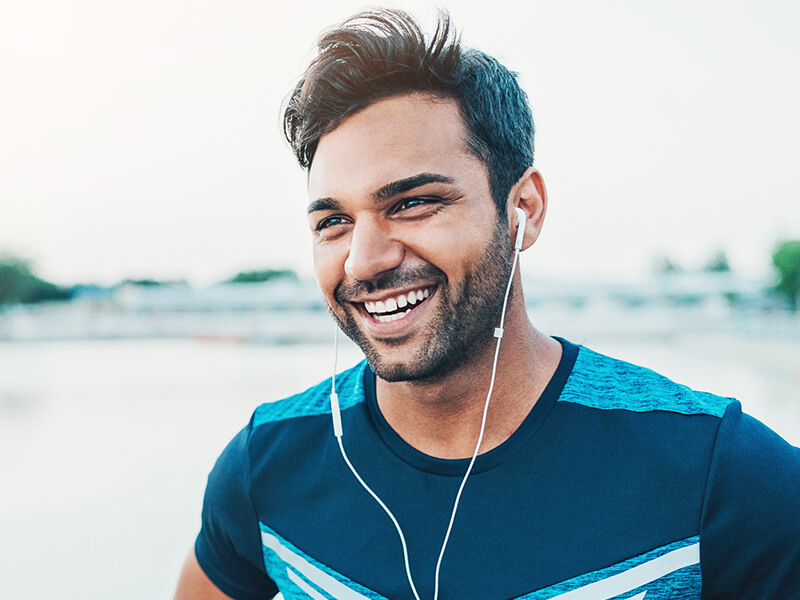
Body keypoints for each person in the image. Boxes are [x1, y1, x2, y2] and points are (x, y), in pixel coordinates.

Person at [174, 9, 800, 600]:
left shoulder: (727, 474)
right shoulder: (267, 463)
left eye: (413, 203)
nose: (363, 260)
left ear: (523, 209)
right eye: (333, 221)